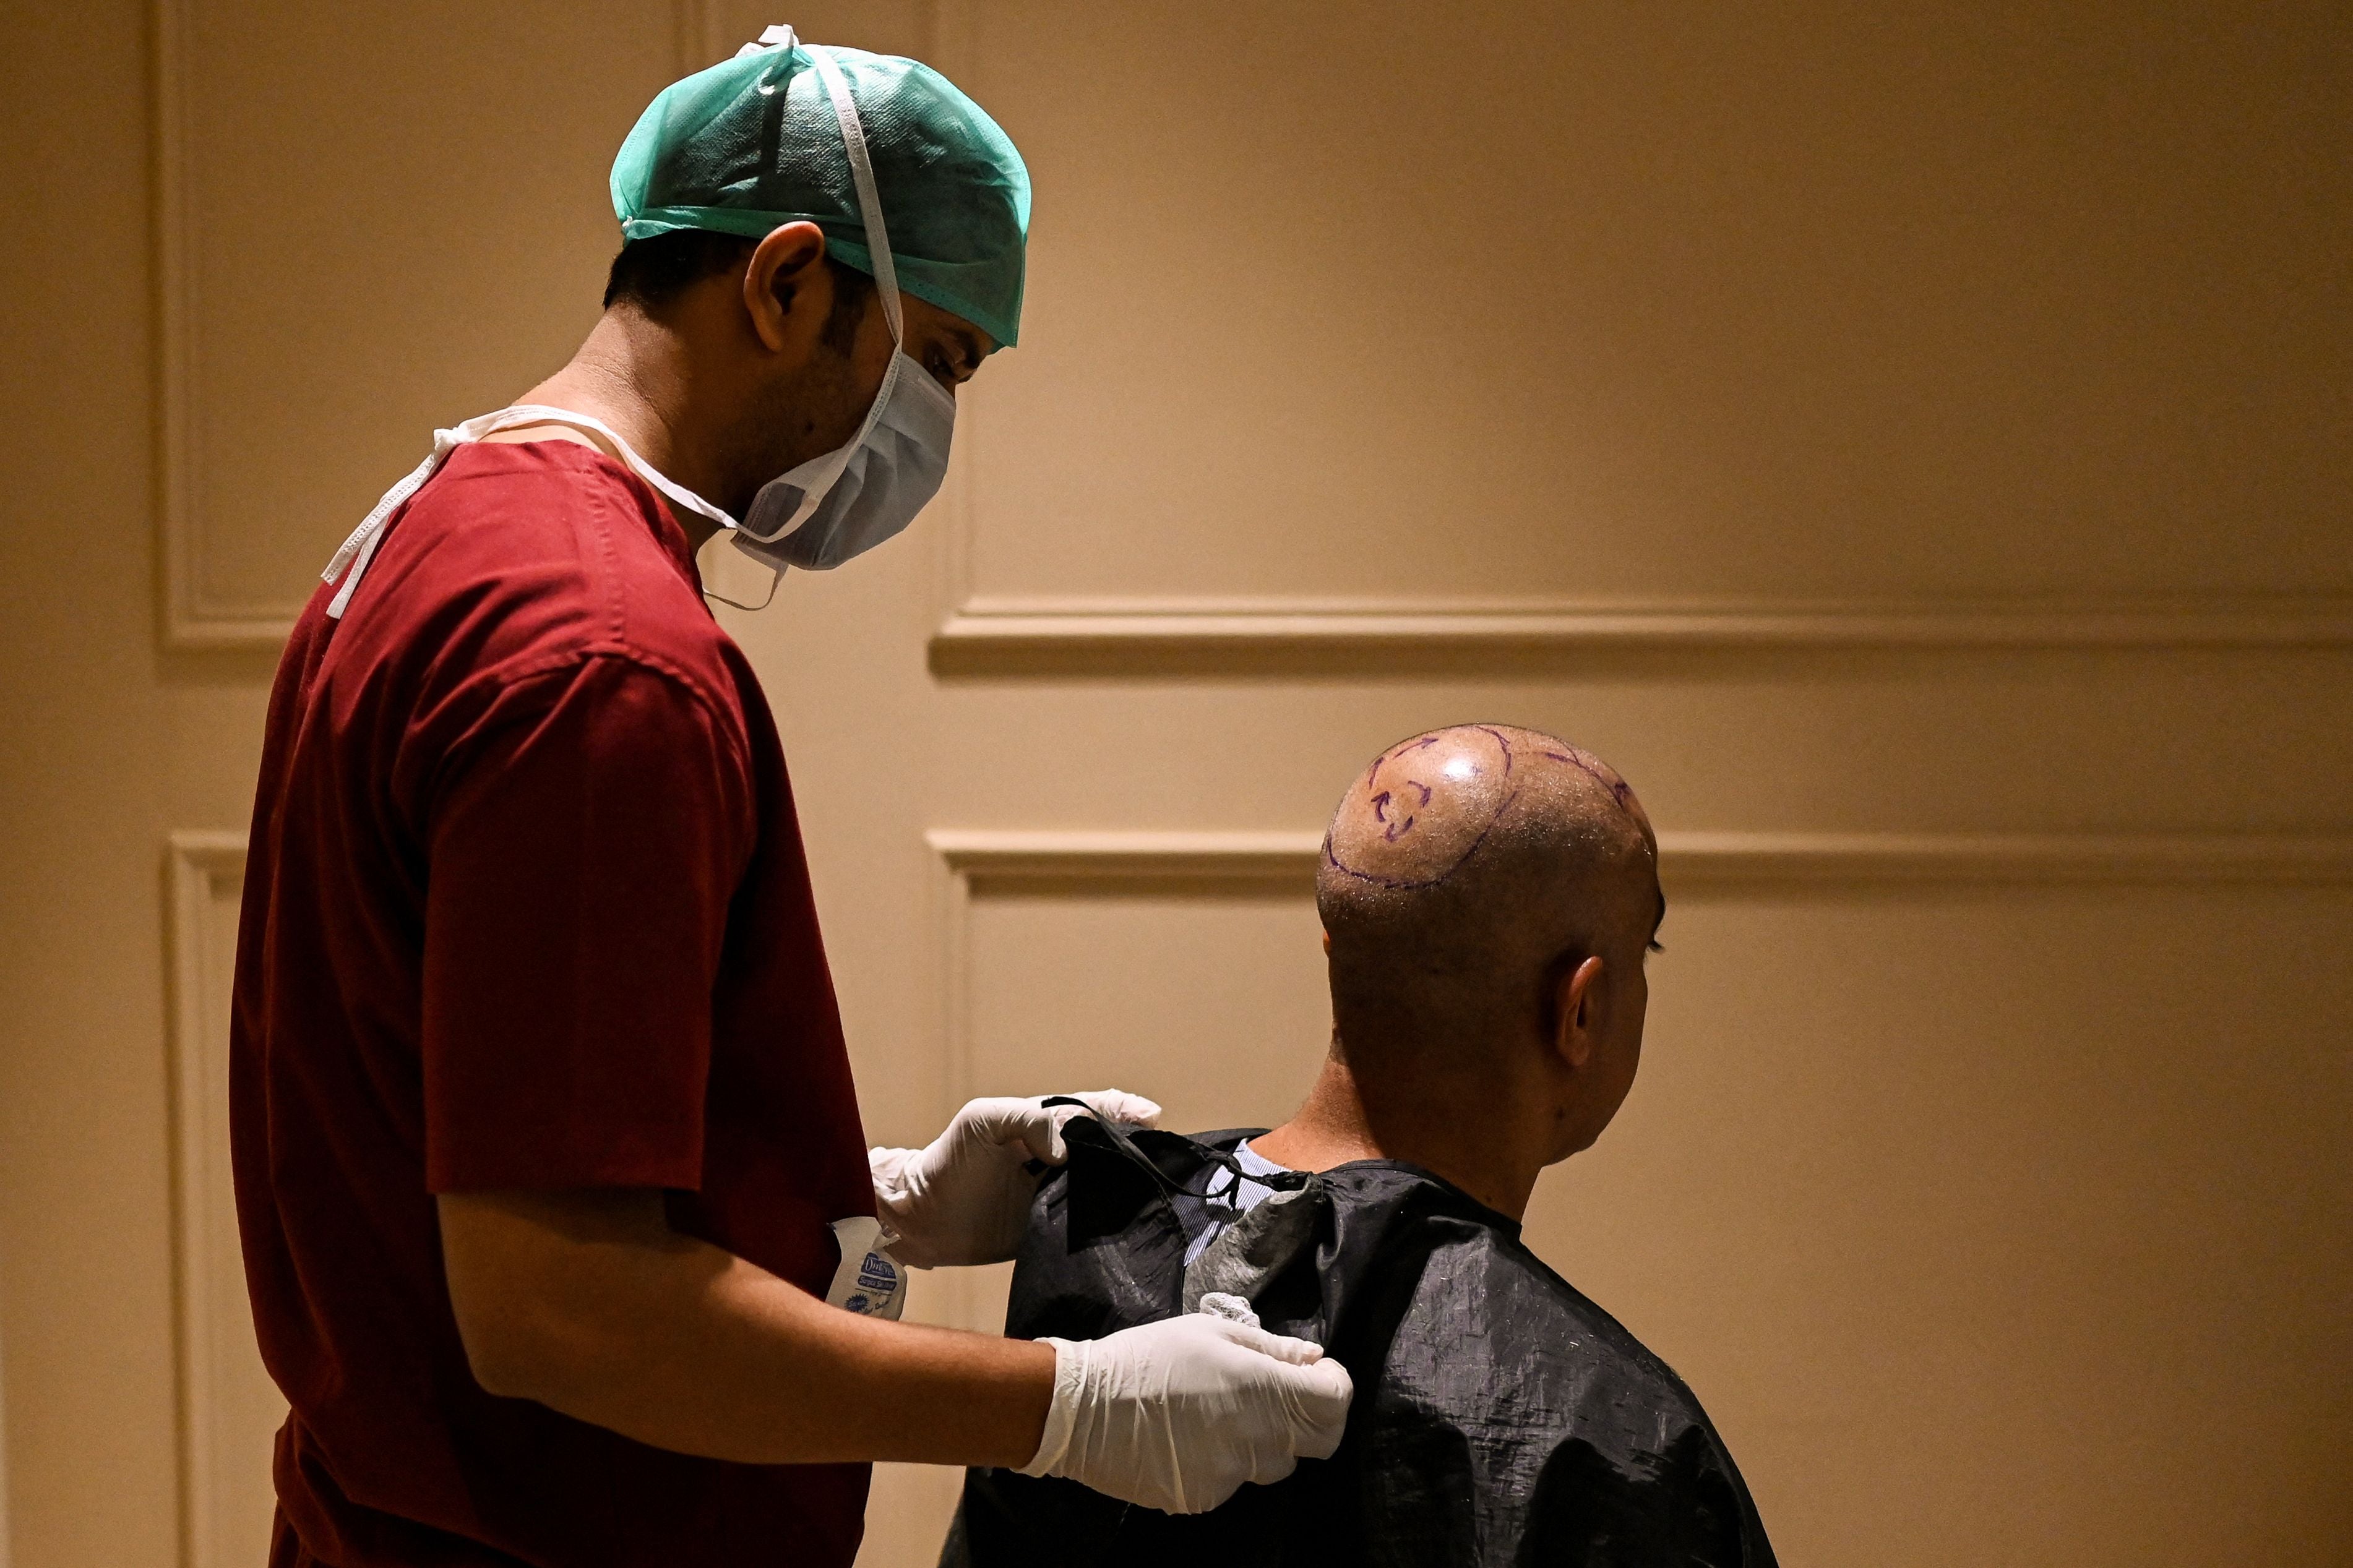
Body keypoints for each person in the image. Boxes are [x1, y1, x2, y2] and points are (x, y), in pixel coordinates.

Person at [231, 28, 1348, 1568]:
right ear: (786, 280)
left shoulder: (441, 524)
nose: (933, 420)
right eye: (938, 359)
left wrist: (864, 1198)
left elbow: (456, 1101)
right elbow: (559, 1304)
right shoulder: (603, 659)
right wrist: (1068, 1402)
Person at [945, 724, 1778, 1566]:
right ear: (1582, 1011)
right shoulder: (1615, 1445)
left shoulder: (1086, 1229)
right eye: (1645, 951)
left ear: (1335, 952)